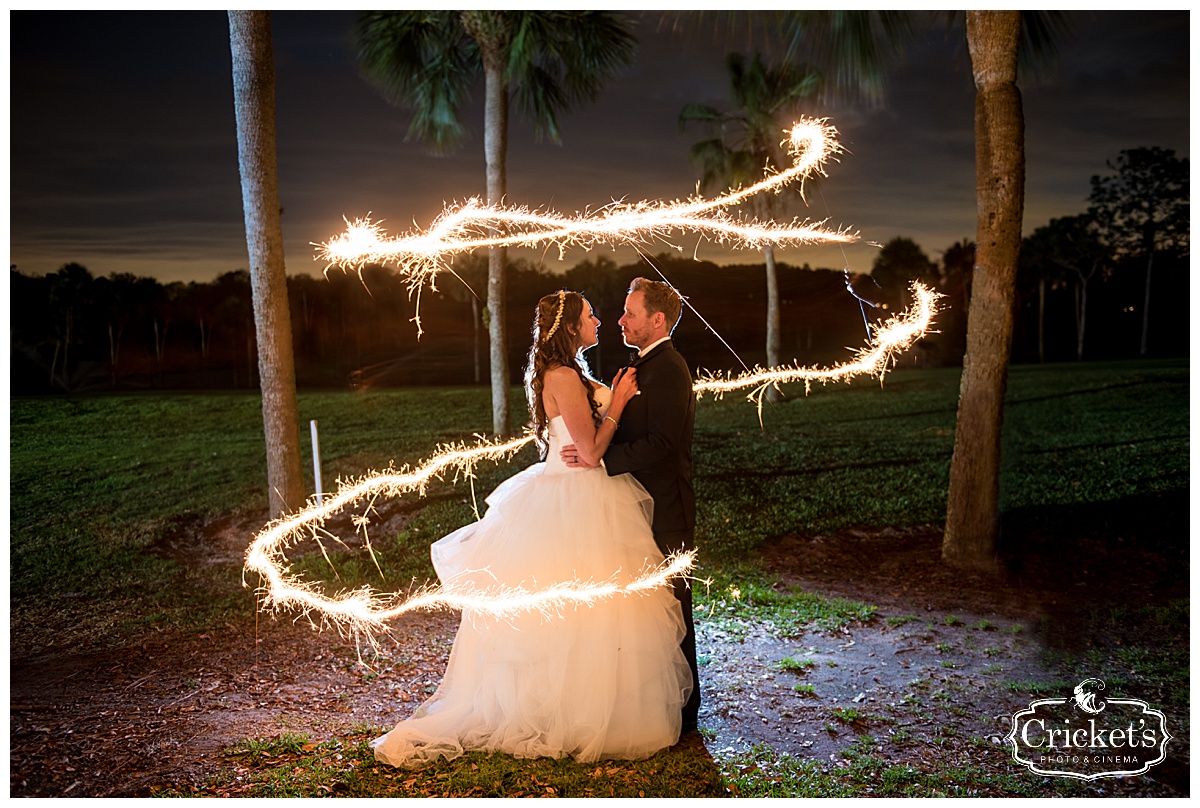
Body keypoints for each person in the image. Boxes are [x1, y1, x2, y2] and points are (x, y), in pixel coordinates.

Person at [371, 290, 693, 769]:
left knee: (592, 614)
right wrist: (619, 403)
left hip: (588, 492)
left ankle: (596, 705)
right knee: (580, 611)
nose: (602, 321)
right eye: (591, 315)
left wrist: (610, 407)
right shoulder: (562, 376)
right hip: (576, 494)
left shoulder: (573, 374)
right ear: (569, 328)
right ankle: (571, 713)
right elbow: (589, 453)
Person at [562, 277, 699, 734]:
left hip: (666, 505)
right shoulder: (641, 365)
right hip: (633, 504)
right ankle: (652, 700)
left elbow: (662, 443)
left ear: (656, 320)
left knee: (673, 605)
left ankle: (684, 710)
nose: (620, 320)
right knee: (645, 610)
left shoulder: (670, 369)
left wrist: (599, 460)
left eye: (630, 313)